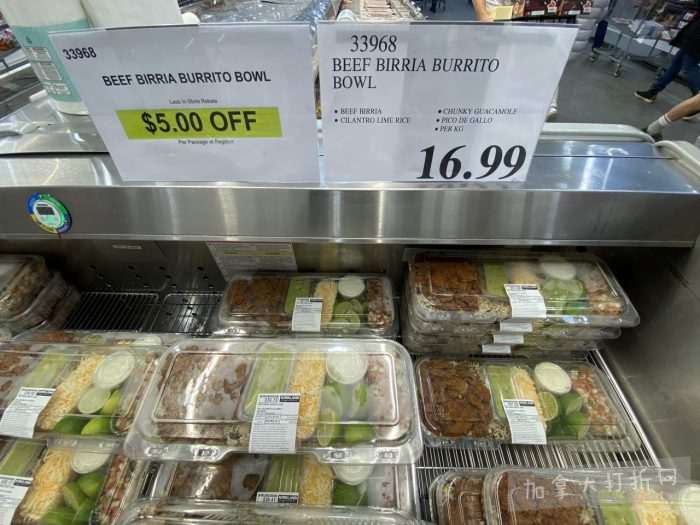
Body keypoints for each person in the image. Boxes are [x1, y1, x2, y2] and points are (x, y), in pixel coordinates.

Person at [635, 14, 700, 103]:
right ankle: (653, 92)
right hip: (691, 39)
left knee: (689, 67)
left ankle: (697, 97)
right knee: (675, 66)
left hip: (695, 42)